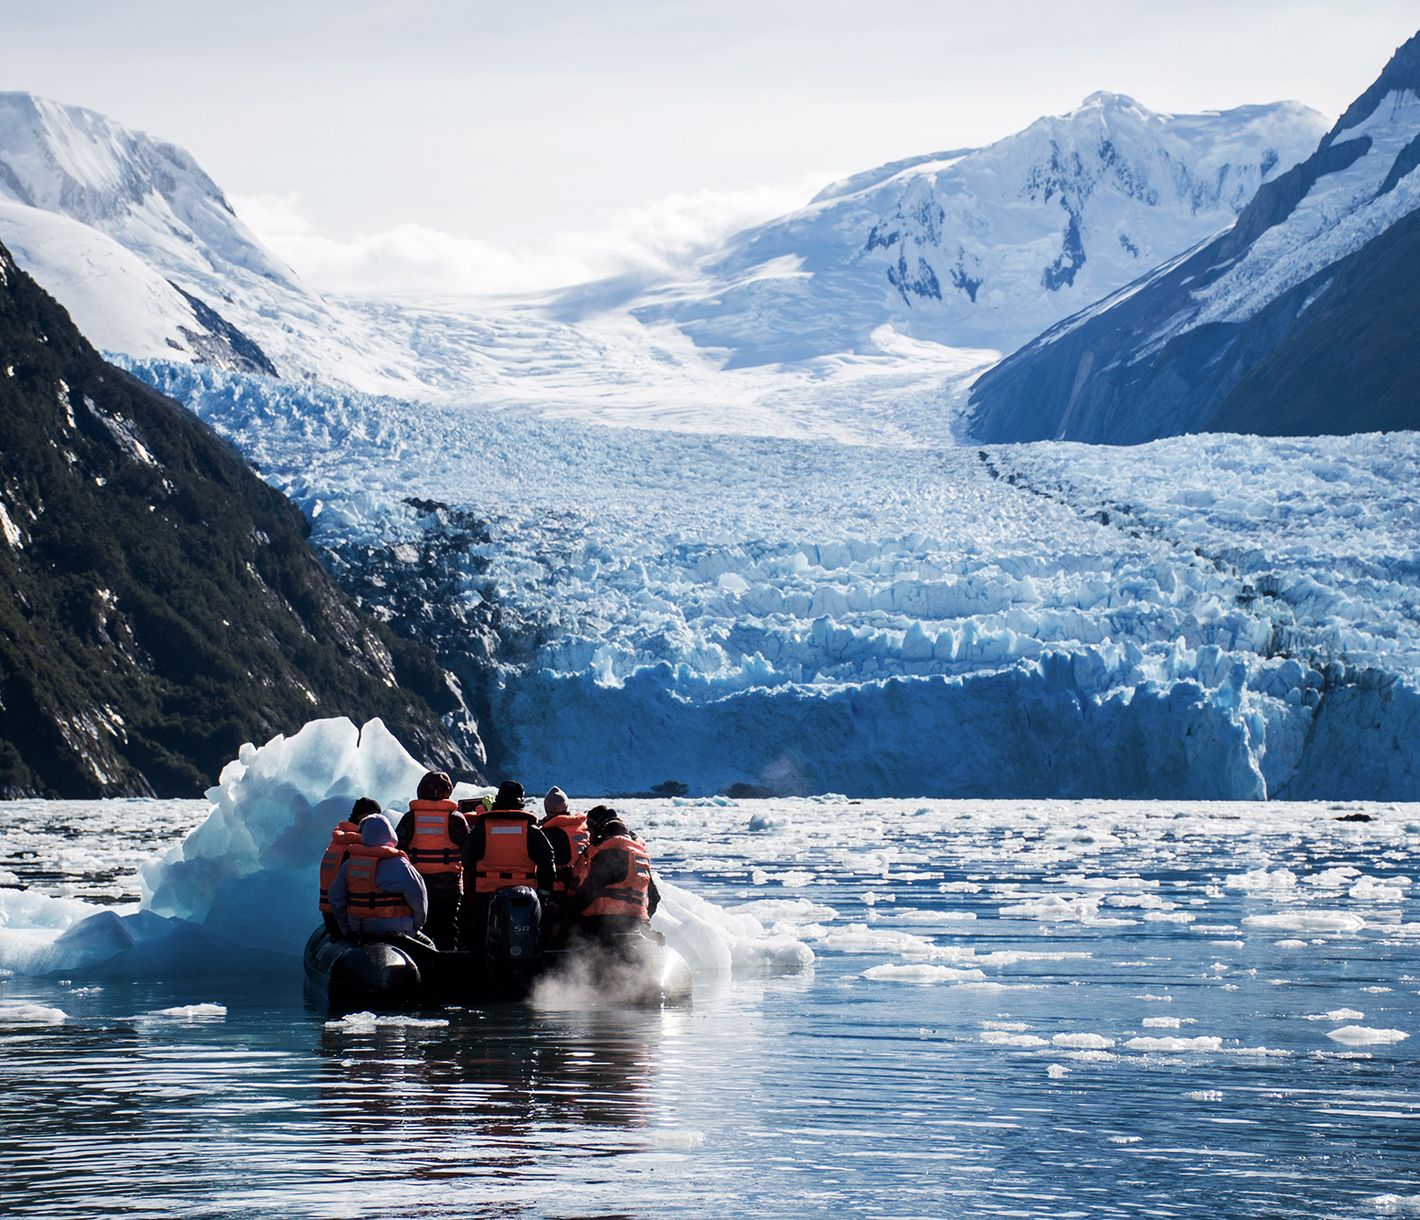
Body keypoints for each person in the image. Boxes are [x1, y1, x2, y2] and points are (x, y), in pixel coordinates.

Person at [459, 780, 555, 955]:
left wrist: (470, 894)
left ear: (498, 799)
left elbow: (467, 859)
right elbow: (547, 862)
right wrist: (544, 894)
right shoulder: (530, 829)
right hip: (524, 896)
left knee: (483, 940)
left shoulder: (482, 828)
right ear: (521, 801)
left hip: (486, 894)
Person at [395, 770, 468, 949]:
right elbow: (469, 849)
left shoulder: (410, 819)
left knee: (420, 927)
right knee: (448, 927)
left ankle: (419, 964)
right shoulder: (456, 819)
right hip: (448, 886)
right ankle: (448, 965)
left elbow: (397, 849)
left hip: (417, 883)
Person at [328, 814, 429, 941]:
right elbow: (419, 898)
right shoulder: (401, 866)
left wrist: (346, 928)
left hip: (359, 929)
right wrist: (417, 926)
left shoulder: (349, 865)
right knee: (429, 946)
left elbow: (335, 897)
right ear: (390, 835)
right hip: (396, 929)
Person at [575, 815, 660, 942]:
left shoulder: (608, 854)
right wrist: (644, 923)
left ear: (606, 836)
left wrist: (569, 910)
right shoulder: (641, 859)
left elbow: (589, 891)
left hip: (601, 921)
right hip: (634, 922)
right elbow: (655, 897)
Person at [319, 796, 381, 935]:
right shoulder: (356, 847)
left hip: (329, 915)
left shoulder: (338, 842)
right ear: (361, 816)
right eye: (373, 816)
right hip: (346, 918)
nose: (377, 821)